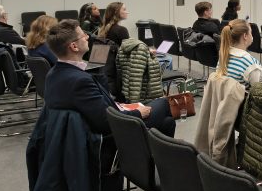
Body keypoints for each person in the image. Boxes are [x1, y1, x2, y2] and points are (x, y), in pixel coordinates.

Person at [43, 19, 175, 136]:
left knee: (167, 123)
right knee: (163, 103)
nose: (87, 38)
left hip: (81, 130)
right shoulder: (80, 81)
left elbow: (100, 100)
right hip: (106, 134)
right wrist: (139, 113)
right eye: (83, 36)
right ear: (74, 46)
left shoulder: (54, 73)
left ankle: (140, 160)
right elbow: (107, 122)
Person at [219, 18, 261, 88]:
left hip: (223, 98)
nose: (252, 35)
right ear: (245, 36)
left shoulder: (223, 56)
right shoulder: (250, 63)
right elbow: (259, 91)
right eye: (250, 32)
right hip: (240, 98)